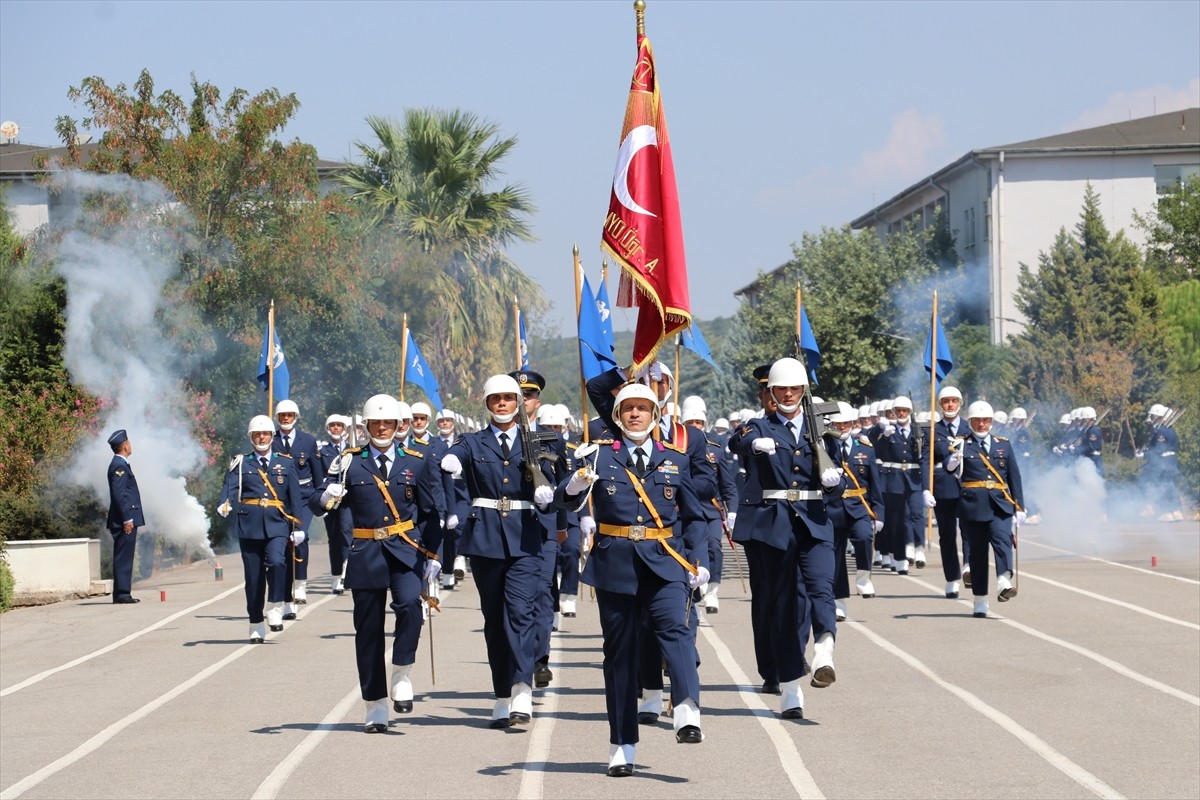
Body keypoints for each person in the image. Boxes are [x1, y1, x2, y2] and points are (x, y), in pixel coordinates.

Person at [557, 383, 710, 777]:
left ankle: (687, 708)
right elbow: (566, 501)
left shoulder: (674, 459)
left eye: (643, 408)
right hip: (617, 564)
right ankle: (622, 742)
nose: (636, 415)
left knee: (675, 630)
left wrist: (700, 561)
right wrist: (575, 483)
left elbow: (695, 517)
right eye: (628, 409)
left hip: (666, 561)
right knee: (619, 654)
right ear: (618, 416)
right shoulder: (598, 457)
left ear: (655, 415)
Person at [311, 395, 442, 733]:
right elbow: (317, 497)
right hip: (366, 550)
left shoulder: (416, 461)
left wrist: (433, 555)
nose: (382, 428)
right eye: (375, 423)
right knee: (367, 631)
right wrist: (326, 499)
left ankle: (401, 672)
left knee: (411, 607)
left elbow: (429, 512)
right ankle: (375, 704)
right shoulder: (349, 462)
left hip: (405, 549)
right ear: (366, 427)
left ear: (400, 426)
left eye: (388, 423)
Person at [439, 374, 560, 729]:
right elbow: (456, 455)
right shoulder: (473, 442)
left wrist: (547, 491)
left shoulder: (536, 440)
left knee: (520, 611)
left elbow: (556, 476)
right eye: (497, 399)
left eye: (510, 398)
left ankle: (522, 686)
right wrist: (452, 461)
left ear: (519, 402)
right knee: (494, 620)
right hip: (487, 538)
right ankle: (502, 696)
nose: (504, 404)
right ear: (487, 403)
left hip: (526, 537)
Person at [731, 357, 843, 718]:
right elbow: (739, 441)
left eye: (795, 389)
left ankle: (824, 650)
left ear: (803, 391)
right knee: (783, 605)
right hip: (775, 524)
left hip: (813, 520)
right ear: (772, 394)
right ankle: (791, 689)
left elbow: (837, 478)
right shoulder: (758, 425)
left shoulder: (821, 430)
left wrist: (834, 481)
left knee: (822, 588)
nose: (789, 394)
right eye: (782, 389)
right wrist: (754, 446)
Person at [217, 416, 304, 642]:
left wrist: (298, 526)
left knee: (277, 562)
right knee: (254, 579)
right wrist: (224, 503)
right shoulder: (241, 463)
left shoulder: (286, 463)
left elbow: (294, 497)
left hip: (278, 523)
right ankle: (255, 622)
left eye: (265, 433)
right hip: (250, 526)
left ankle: (275, 606)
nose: (261, 437)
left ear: (272, 436)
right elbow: (230, 487)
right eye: (257, 434)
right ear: (251, 437)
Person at [946, 401, 1024, 618]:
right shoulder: (961, 444)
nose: (982, 424)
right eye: (978, 420)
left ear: (991, 422)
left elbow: (1014, 477)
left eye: (986, 420)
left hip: (1000, 503)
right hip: (973, 505)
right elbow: (948, 467)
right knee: (978, 553)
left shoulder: (1004, 445)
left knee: (1001, 539)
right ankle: (980, 599)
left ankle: (1003, 581)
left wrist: (1020, 507)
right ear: (970, 422)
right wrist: (952, 461)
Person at [824, 402, 883, 615]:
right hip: (832, 507)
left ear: (852, 423)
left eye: (846, 423)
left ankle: (863, 576)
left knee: (864, 537)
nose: (842, 427)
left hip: (859, 506)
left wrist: (879, 513)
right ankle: (839, 602)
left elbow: (875, 483)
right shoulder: (824, 447)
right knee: (836, 555)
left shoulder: (865, 448)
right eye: (838, 424)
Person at [272, 400, 324, 612]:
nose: (286, 418)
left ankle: (301, 583)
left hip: (303, 496)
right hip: (280, 499)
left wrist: (321, 497)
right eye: (282, 415)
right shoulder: (270, 440)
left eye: (290, 415)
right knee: (282, 548)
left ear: (296, 417)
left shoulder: (308, 441)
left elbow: (318, 472)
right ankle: (286, 601)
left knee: (300, 537)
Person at [922, 386, 970, 596]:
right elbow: (925, 461)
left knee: (970, 531)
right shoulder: (932, 431)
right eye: (946, 401)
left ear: (960, 403)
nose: (950, 405)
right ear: (940, 405)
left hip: (969, 486)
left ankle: (969, 566)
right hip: (943, 486)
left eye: (954, 401)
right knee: (947, 534)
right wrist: (926, 488)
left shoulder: (970, 428)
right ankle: (952, 577)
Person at [874, 396, 924, 574]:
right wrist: (884, 438)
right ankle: (900, 557)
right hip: (893, 480)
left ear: (910, 412)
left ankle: (918, 548)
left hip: (913, 478)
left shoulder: (918, 431)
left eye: (905, 410)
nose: (901, 414)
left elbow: (925, 456)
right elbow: (876, 451)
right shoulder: (888, 431)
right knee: (895, 520)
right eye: (898, 411)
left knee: (917, 514)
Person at [106, 429, 145, 604]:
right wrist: (127, 519)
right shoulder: (119, 466)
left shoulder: (121, 464)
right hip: (124, 520)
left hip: (126, 518)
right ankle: (122, 594)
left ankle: (123, 592)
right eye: (129, 442)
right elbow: (119, 495)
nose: (131, 445)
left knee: (125, 556)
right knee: (123, 557)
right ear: (125, 445)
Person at [316, 414, 353, 595]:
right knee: (334, 538)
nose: (336, 428)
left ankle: (348, 570)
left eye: (339, 425)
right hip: (330, 498)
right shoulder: (322, 452)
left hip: (347, 500)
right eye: (332, 426)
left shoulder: (353, 450)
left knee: (347, 533)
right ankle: (336, 575)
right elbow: (320, 476)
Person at [1139, 404, 1183, 521]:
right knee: (1171, 487)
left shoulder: (1160, 431)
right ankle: (1177, 511)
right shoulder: (1170, 430)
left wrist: (1144, 454)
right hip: (1172, 461)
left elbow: (1159, 449)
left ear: (1158, 416)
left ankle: (1167, 513)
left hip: (1163, 461)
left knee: (1163, 486)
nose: (1151, 419)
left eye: (1153, 416)